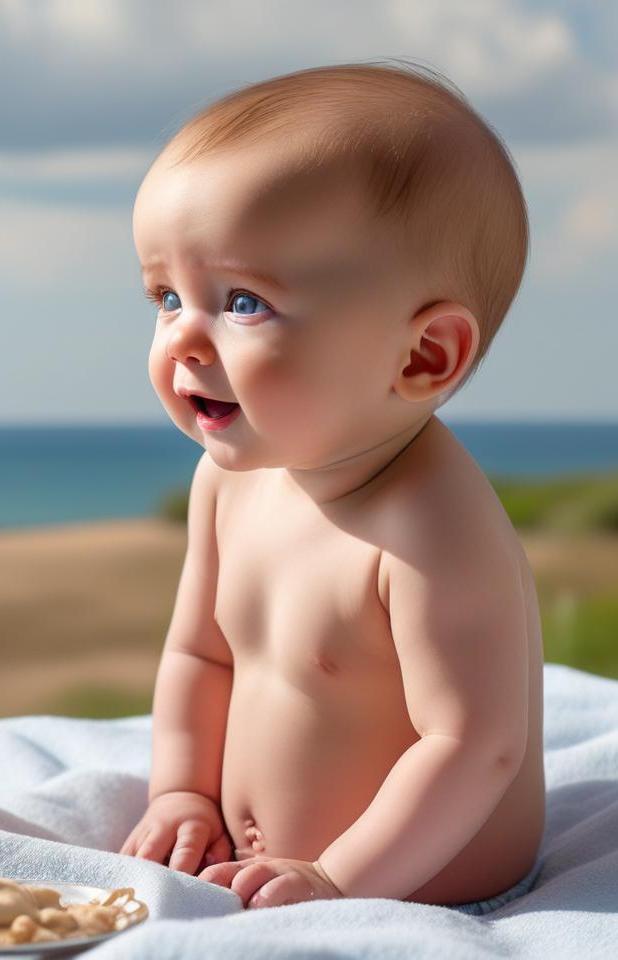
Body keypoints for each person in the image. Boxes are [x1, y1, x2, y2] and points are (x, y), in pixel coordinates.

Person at [119, 59, 545, 914]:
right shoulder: (225, 485)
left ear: (422, 356)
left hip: (422, 885)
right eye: (168, 296)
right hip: (264, 874)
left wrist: (341, 879)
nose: (184, 343)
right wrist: (181, 792)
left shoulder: (431, 526)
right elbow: (200, 654)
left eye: (242, 302)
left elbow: (472, 745)